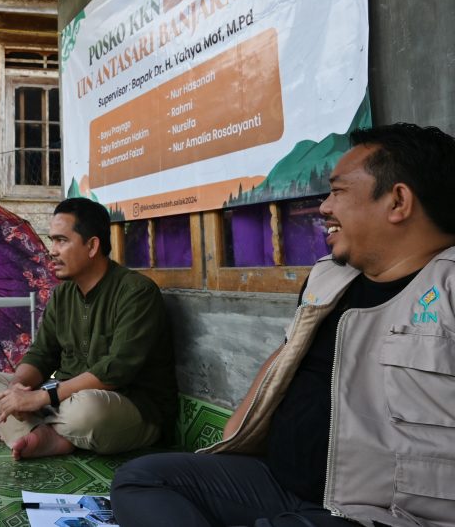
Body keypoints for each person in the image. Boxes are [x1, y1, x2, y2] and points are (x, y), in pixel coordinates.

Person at [110, 123, 455, 527]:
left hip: (376, 514)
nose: (324, 207)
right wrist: (239, 428)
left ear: (397, 201)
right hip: (279, 483)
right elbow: (290, 348)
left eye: (339, 191)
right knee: (142, 479)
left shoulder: (447, 289)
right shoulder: (329, 277)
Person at [0, 197, 177, 460]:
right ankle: (45, 434)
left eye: (61, 241)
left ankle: (31, 430)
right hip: (64, 397)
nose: (52, 250)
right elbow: (42, 353)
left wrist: (41, 399)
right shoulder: (62, 294)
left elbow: (117, 370)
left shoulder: (136, 292)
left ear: (92, 246)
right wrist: (18, 390)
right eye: (52, 240)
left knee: (86, 412)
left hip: (128, 407)